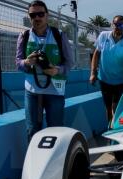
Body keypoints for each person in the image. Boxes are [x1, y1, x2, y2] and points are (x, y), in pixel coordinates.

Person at [16, 0, 74, 141]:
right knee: (32, 130)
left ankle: (57, 161)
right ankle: (34, 162)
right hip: (32, 91)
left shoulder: (59, 35)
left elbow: (70, 62)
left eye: (40, 14)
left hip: (54, 90)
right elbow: (18, 62)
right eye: (33, 15)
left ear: (47, 15)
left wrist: (57, 70)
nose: (37, 18)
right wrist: (27, 62)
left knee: (56, 129)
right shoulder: (24, 36)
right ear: (29, 17)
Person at [90, 15, 123, 125]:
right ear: (112, 25)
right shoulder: (103, 36)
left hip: (120, 81)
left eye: (122, 25)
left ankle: (117, 128)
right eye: (116, 24)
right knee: (108, 107)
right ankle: (109, 127)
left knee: (116, 107)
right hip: (104, 79)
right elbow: (96, 54)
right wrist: (93, 73)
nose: (119, 27)